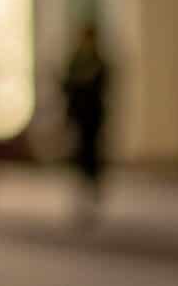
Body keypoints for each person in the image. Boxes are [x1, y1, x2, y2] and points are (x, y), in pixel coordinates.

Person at [60, 23, 110, 224]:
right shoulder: (76, 60)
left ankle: (93, 187)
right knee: (79, 154)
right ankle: (83, 190)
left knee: (92, 153)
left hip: (93, 116)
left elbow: (104, 86)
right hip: (79, 116)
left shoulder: (99, 61)